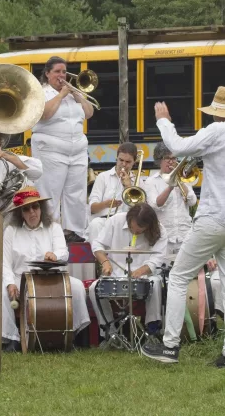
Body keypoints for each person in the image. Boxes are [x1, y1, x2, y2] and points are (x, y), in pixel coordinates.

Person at [142, 90, 225, 366]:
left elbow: (177, 146)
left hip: (213, 218)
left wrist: (164, 121)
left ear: (217, 112)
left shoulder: (217, 129)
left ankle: (169, 348)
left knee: (178, 277)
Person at [2, 187, 91, 351]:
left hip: (51, 278)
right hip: (20, 279)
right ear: (20, 213)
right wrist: (9, 284)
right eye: (26, 209)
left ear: (41, 209)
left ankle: (75, 337)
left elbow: (64, 253)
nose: (32, 212)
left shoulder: (54, 228)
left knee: (78, 286)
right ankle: (11, 340)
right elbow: (5, 263)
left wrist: (54, 256)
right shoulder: (11, 230)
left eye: (35, 207)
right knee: (1, 291)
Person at [31, 56, 94, 242]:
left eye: (64, 71)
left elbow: (89, 113)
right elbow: (44, 114)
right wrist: (61, 94)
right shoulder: (41, 92)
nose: (61, 75)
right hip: (51, 150)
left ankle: (74, 231)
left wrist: (76, 94)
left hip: (77, 151)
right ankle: (50, 231)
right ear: (47, 73)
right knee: (50, 192)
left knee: (77, 192)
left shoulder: (73, 93)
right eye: (57, 71)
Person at [89, 203, 167, 342]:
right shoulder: (116, 221)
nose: (135, 233)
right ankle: (109, 332)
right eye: (132, 229)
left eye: (139, 231)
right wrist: (105, 262)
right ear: (129, 219)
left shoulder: (160, 230)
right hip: (115, 274)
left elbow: (157, 258)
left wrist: (141, 271)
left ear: (149, 226)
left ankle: (152, 329)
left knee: (155, 284)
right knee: (94, 288)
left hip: (144, 275)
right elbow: (97, 244)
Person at [145, 143, 197, 259]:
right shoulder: (151, 182)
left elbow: (192, 201)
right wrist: (170, 186)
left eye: (173, 158)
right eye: (167, 158)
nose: (171, 161)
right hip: (163, 237)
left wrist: (180, 181)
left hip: (184, 234)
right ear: (159, 160)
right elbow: (155, 204)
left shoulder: (184, 178)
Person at [87, 142, 138, 245]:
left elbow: (140, 210)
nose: (123, 164)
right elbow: (92, 208)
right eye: (121, 160)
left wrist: (129, 187)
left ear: (134, 162)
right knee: (95, 224)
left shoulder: (137, 181)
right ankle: (99, 258)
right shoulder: (103, 177)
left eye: (128, 162)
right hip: (103, 221)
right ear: (117, 158)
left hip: (125, 223)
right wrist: (106, 204)